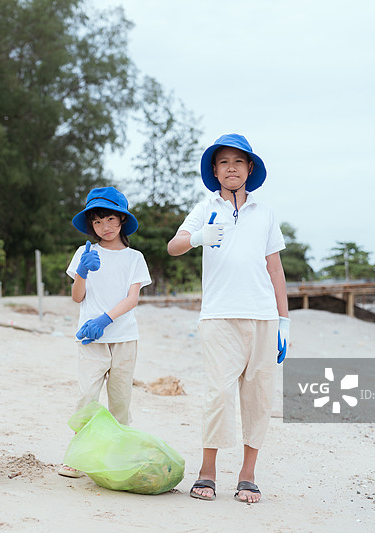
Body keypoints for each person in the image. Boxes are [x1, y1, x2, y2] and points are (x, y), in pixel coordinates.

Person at [167, 134, 289, 503]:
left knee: (258, 397)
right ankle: (207, 472)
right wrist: (199, 237)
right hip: (219, 316)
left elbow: (276, 269)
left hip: (263, 318)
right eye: (223, 162)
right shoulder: (205, 208)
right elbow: (174, 246)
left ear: (249, 168)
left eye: (239, 161)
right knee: (218, 394)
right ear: (215, 170)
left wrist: (285, 322)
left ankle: (248, 474)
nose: (231, 167)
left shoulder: (265, 213)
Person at [58, 186, 152, 478]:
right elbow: (76, 297)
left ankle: (116, 454)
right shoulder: (83, 253)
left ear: (122, 220)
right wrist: (83, 272)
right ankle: (78, 454)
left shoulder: (134, 258)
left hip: (123, 337)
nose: (105, 227)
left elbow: (132, 299)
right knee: (87, 396)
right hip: (90, 339)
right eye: (97, 221)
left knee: (121, 401)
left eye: (111, 219)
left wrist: (104, 320)